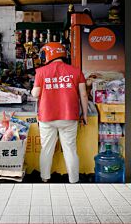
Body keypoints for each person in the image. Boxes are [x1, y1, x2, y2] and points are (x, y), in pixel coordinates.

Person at [31, 42, 88, 183]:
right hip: (69, 117)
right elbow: (84, 95)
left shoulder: (41, 72)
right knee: (70, 150)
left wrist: (34, 90)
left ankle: (45, 178)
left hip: (47, 117)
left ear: (48, 54)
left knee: (46, 149)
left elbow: (35, 94)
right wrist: (85, 115)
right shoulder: (76, 71)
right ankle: (74, 180)